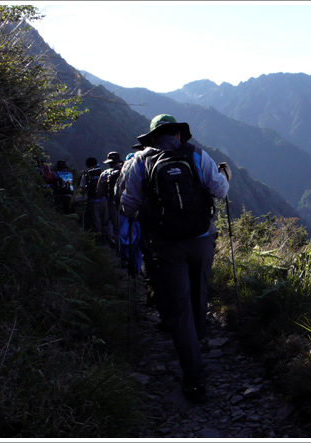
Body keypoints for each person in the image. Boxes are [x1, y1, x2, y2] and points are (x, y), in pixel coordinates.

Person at [120, 114, 231, 403]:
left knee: (178, 309)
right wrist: (226, 177)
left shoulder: (139, 161)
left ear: (153, 137)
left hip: (165, 245)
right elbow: (220, 190)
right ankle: (199, 340)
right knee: (199, 293)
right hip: (201, 239)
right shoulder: (197, 154)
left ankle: (194, 380)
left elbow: (128, 206)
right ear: (179, 135)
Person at [96, 151, 124, 249]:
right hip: (125, 203)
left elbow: (99, 192)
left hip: (111, 202)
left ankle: (117, 250)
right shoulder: (124, 171)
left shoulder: (104, 173)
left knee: (114, 226)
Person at [80, 157, 105, 243]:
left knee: (96, 221)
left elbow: (82, 189)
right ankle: (108, 239)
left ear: (87, 165)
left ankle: (98, 240)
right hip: (105, 199)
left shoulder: (86, 174)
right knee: (106, 220)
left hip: (93, 201)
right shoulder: (102, 171)